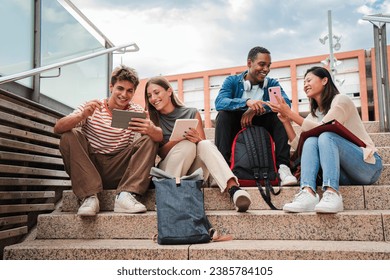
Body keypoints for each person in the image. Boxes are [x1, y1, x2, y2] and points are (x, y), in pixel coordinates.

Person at [267, 66, 383, 213]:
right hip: (343, 173)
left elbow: (324, 127)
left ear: (324, 80)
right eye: (304, 82)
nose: (305, 85)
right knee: (310, 141)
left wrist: (290, 113)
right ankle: (308, 192)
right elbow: (300, 147)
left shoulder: (341, 100)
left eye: (309, 80)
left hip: (367, 166)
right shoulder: (314, 114)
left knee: (326, 136)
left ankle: (332, 192)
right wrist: (285, 121)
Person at [54, 65, 163, 216]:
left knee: (150, 139)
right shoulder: (92, 106)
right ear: (111, 87)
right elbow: (58, 128)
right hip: (90, 168)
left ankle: (127, 195)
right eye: (120, 88)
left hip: (120, 169)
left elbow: (159, 137)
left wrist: (150, 128)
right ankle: (89, 197)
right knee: (69, 135)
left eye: (129, 90)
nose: (124, 94)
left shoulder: (136, 111)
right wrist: (82, 116)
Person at [145, 76, 252, 212]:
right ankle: (167, 194)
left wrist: (197, 139)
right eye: (149, 96)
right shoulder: (153, 119)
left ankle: (234, 189)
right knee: (186, 145)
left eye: (156, 92)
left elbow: (204, 149)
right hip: (170, 170)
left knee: (205, 144)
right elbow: (160, 153)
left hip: (193, 172)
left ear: (169, 91)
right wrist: (177, 139)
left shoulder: (191, 112)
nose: (153, 98)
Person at [214, 46, 298, 186]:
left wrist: (257, 108)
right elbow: (220, 102)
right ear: (249, 63)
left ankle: (283, 168)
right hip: (238, 123)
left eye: (268, 65)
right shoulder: (232, 81)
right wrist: (247, 103)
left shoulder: (271, 83)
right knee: (223, 116)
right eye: (262, 64)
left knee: (280, 114)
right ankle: (223, 170)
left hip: (263, 122)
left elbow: (286, 104)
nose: (266, 69)